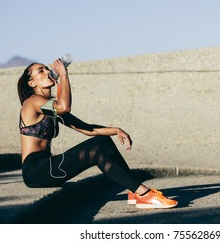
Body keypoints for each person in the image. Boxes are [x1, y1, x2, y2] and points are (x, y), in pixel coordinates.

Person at [17, 60, 177, 209]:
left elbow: (87, 129)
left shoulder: (49, 107)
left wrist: (116, 130)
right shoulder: (32, 102)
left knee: (103, 141)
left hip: (48, 165)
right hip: (36, 171)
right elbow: (64, 107)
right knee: (98, 146)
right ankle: (143, 193)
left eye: (46, 68)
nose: (47, 71)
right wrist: (64, 75)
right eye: (40, 71)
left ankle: (135, 190)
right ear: (32, 83)